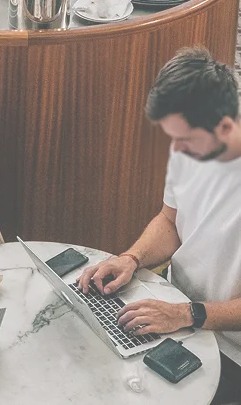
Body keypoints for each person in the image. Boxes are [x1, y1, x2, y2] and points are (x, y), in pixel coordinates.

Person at [77, 47, 241, 404]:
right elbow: (171, 220)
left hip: (230, 352)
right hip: (176, 309)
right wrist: (132, 258)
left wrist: (186, 315)